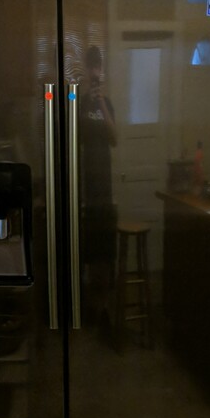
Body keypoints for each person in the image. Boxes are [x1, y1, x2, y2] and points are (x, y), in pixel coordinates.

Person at [80, 45, 117, 326]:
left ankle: (102, 306)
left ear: (101, 71)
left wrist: (102, 102)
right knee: (87, 249)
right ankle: (89, 305)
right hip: (83, 187)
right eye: (91, 65)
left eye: (98, 66)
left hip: (104, 188)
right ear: (85, 69)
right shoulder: (78, 102)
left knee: (103, 249)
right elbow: (73, 136)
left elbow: (114, 138)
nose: (95, 71)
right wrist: (86, 101)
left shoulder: (108, 103)